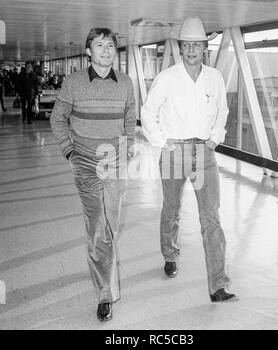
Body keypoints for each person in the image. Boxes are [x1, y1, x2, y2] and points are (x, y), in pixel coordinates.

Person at [141, 17, 237, 303]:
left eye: (197, 45)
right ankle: (170, 255)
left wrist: (215, 138)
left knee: (211, 218)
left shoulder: (215, 78)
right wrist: (161, 141)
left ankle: (218, 285)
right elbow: (148, 113)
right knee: (171, 209)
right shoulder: (167, 78)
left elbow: (222, 110)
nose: (192, 49)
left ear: (204, 48)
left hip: (204, 154)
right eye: (187, 45)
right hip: (174, 153)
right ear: (181, 48)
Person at [50, 28, 136, 322]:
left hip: (115, 164)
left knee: (110, 225)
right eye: (99, 45)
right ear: (88, 51)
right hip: (85, 163)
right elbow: (57, 118)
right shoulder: (73, 82)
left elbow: (129, 116)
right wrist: (69, 152)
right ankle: (104, 293)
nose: (105, 50)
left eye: (110, 45)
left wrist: (129, 148)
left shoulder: (125, 83)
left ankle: (102, 268)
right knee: (97, 225)